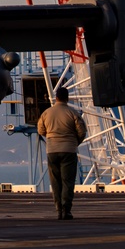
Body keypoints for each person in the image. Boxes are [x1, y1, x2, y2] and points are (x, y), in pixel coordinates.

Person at [37, 86, 87, 219]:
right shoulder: (73, 113)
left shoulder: (46, 113)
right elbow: (82, 131)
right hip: (69, 150)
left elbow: (41, 130)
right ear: (67, 98)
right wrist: (75, 142)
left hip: (52, 150)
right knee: (68, 181)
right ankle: (67, 209)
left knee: (55, 182)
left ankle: (58, 209)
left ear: (56, 97)